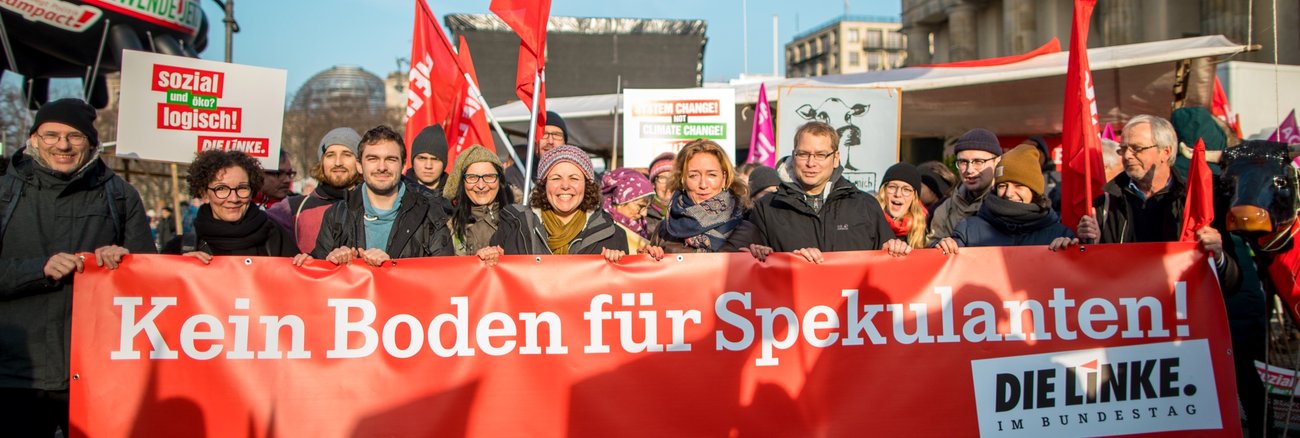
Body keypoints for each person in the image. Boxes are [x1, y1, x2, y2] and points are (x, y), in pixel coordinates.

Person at [0, 98, 155, 435]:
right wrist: (38, 270)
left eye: (75, 136)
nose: (63, 145)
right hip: (16, 371)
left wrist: (125, 262)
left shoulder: (120, 195)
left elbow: (150, 279)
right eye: (51, 134)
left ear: (92, 142)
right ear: (34, 138)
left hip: (94, 371)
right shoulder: (5, 193)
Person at [1076, 114, 1240, 288]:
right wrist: (1088, 245)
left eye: (1136, 148)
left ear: (1165, 152)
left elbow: (1233, 282)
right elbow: (1090, 278)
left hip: (1181, 310)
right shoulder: (1105, 204)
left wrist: (1218, 255)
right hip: (1129, 310)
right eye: (1123, 149)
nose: (1127, 156)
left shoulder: (1198, 202)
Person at [301, 125, 453, 266]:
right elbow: (319, 278)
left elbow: (443, 276)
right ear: (359, 165)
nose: (382, 167)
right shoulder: (337, 214)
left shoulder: (430, 214)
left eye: (390, 159)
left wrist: (393, 267)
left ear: (403, 165)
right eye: (373, 159)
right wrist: (319, 262)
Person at [746, 121, 893, 263]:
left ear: (836, 159)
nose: (811, 163)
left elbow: (888, 266)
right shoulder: (766, 208)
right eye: (803, 154)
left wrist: (896, 249)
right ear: (793, 155)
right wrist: (765, 255)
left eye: (820, 155)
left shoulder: (866, 206)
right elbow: (748, 265)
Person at [479, 145, 629, 264]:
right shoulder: (514, 224)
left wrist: (617, 264)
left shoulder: (613, 234)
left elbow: (622, 291)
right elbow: (493, 284)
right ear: (543, 184)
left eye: (574, 178)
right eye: (556, 178)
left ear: (587, 185)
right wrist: (489, 259)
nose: (565, 185)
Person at [933, 145, 1076, 252]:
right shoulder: (968, 230)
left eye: (1019, 186)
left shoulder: (1059, 234)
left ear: (1034, 191)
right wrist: (942, 247)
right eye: (1003, 185)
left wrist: (1070, 251)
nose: (1009, 193)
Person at [165, 150, 298, 259]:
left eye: (242, 188)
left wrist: (303, 266)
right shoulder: (179, 249)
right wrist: (180, 271)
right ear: (204, 194)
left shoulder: (276, 238)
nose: (233, 199)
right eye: (221, 189)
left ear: (252, 191)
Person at [268, 127, 363, 254]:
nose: (338, 162)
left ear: (360, 162)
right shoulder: (292, 208)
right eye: (330, 155)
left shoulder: (374, 206)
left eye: (347, 154)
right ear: (321, 162)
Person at [652, 139, 752, 254]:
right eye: (694, 175)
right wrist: (649, 257)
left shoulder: (747, 232)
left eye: (712, 175)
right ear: (683, 180)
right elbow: (650, 271)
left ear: (724, 178)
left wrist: (761, 257)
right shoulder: (665, 230)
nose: (703, 185)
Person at [925, 128, 1004, 246]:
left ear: (997, 161)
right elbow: (930, 247)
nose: (969, 170)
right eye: (963, 162)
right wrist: (938, 245)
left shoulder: (1007, 203)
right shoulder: (945, 210)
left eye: (978, 161)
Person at [443, 145, 515, 256]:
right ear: (462, 183)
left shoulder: (519, 218)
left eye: (489, 176)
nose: (481, 185)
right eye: (472, 177)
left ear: (500, 180)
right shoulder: (449, 227)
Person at [601, 168, 655, 254]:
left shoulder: (642, 228)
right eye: (640, 206)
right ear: (621, 200)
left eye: (647, 208)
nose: (644, 214)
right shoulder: (599, 227)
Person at [875, 163, 928, 251]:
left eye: (906, 189)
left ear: (914, 197)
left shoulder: (923, 228)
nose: (898, 194)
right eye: (892, 187)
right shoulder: (870, 223)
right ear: (883, 191)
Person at [406, 125, 449, 192]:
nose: (428, 166)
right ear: (413, 161)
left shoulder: (457, 198)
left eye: (435, 159)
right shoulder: (395, 193)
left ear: (444, 163)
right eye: (422, 158)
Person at [645, 152, 676, 233]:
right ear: (653, 184)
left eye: (673, 178)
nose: (669, 184)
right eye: (662, 178)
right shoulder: (642, 213)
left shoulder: (689, 210)